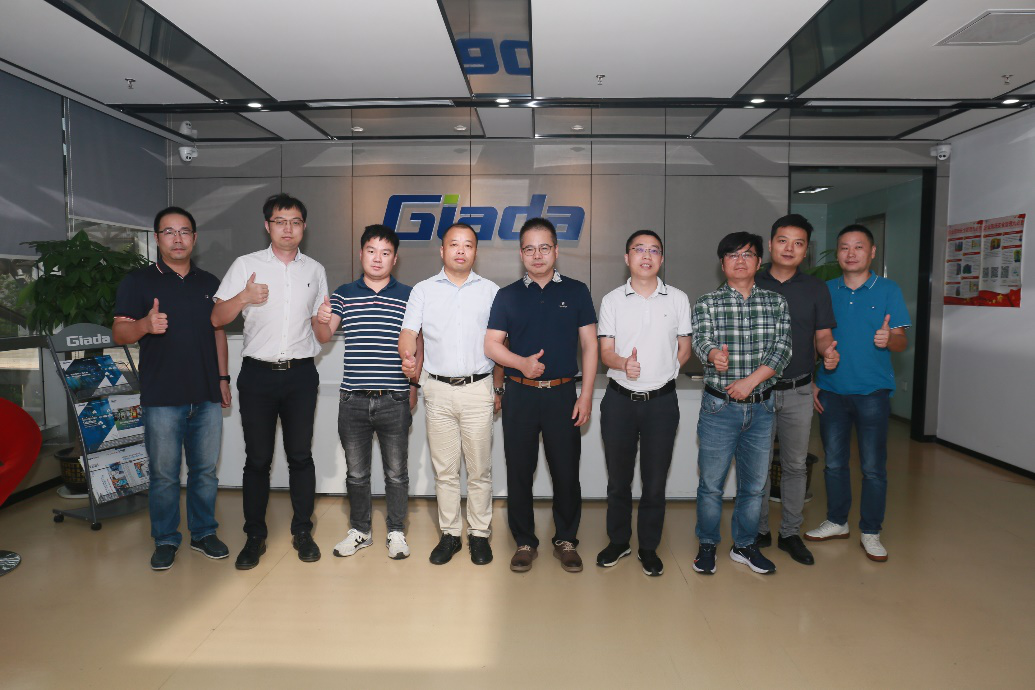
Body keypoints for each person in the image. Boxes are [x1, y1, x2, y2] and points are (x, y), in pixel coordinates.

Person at [211, 193, 328, 569]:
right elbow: (216, 317)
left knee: (300, 456)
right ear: (267, 226)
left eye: (295, 222)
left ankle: (302, 531)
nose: (288, 228)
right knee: (257, 459)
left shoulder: (315, 270)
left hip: (301, 375)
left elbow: (320, 328)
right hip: (258, 376)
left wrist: (326, 320)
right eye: (280, 221)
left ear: (304, 227)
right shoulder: (246, 265)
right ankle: (255, 536)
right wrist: (244, 296)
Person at [113, 206, 231, 571]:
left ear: (194, 238)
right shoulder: (137, 282)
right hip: (162, 397)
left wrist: (223, 379)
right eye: (169, 232)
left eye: (184, 232)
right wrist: (145, 326)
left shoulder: (210, 282)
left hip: (206, 395)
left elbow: (218, 333)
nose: (177, 239)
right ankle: (165, 539)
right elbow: (119, 332)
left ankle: (203, 533)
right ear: (157, 238)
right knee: (164, 475)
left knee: (204, 472)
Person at [485, 217, 598, 574]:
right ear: (521, 254)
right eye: (530, 249)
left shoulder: (577, 291)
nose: (537, 255)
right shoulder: (507, 295)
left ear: (556, 251)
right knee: (520, 470)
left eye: (544, 247)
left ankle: (566, 540)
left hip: (563, 395)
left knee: (566, 471)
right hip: (520, 395)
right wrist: (521, 363)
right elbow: (491, 345)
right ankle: (524, 542)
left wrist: (586, 395)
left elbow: (590, 346)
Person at [314, 224, 421, 561]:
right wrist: (319, 319)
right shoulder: (344, 293)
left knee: (396, 473)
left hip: (394, 397)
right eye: (372, 251)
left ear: (395, 258)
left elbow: (418, 343)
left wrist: (414, 383)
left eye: (385, 252)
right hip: (353, 399)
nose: (378, 258)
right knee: (356, 474)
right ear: (361, 254)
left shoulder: (410, 295)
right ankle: (360, 531)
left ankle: (396, 531)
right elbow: (323, 336)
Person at [398, 223, 502, 566]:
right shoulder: (424, 290)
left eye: (468, 245)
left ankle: (479, 535)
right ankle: (450, 534)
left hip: (478, 388)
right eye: (454, 244)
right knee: (445, 471)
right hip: (438, 390)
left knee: (479, 470)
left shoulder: (491, 291)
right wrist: (407, 356)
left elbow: (502, 344)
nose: (461, 250)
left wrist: (498, 387)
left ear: (475, 252)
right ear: (442, 250)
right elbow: (409, 332)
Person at [805, 224, 909, 562]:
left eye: (859, 247)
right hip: (831, 391)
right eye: (844, 247)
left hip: (872, 393)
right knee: (834, 463)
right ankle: (837, 521)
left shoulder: (888, 289)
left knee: (873, 467)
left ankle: (871, 531)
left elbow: (902, 341)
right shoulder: (825, 290)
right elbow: (815, 339)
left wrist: (889, 339)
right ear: (838, 253)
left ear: (872, 252)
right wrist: (815, 380)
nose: (851, 254)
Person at [690, 231, 791, 576]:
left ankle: (745, 545)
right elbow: (701, 340)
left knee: (755, 486)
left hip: (762, 408)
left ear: (759, 262)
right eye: (732, 255)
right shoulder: (707, 302)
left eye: (747, 254)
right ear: (722, 264)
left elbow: (782, 350)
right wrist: (713, 355)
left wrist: (750, 382)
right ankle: (707, 545)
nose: (740, 260)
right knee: (711, 485)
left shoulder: (776, 303)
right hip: (719, 409)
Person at [595, 230, 691, 577]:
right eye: (639, 250)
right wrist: (624, 363)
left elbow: (684, 347)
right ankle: (619, 541)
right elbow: (605, 352)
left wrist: (666, 372)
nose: (646, 256)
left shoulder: (677, 298)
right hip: (619, 401)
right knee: (618, 480)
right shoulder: (612, 300)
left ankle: (648, 547)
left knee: (654, 481)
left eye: (654, 251)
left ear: (661, 259)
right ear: (627, 258)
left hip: (661, 404)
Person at [753, 215, 839, 566]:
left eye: (798, 243)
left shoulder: (816, 288)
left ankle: (790, 533)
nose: (789, 248)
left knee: (794, 465)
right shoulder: (751, 281)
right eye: (783, 241)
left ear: (806, 251)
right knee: (757, 466)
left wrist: (829, 353)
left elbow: (823, 336)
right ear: (770, 244)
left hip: (799, 390)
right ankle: (758, 530)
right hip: (758, 391)